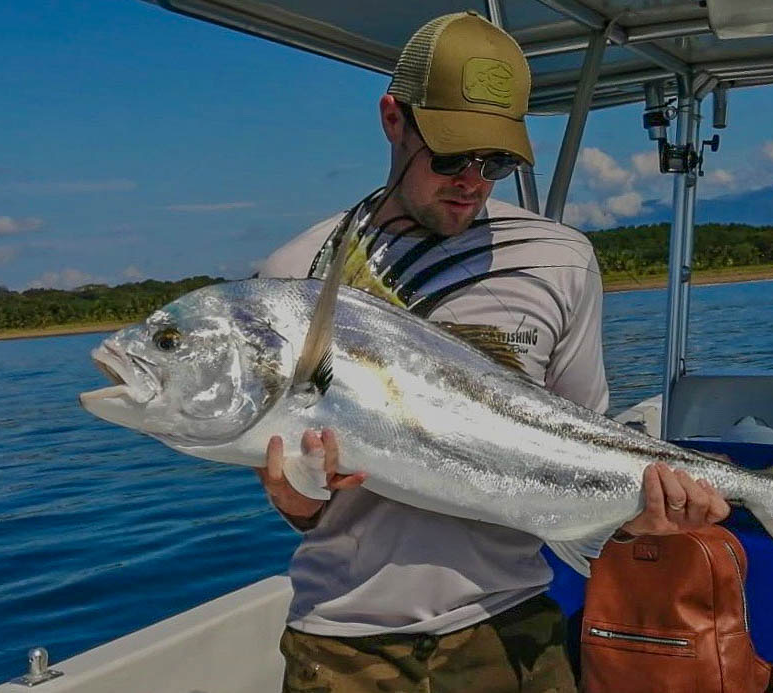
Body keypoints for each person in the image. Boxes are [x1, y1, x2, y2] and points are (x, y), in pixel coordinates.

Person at [255, 11, 730, 692]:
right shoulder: (298, 276)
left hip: (510, 626)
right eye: (450, 155)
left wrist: (645, 517)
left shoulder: (558, 259)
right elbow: (294, 499)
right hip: (343, 641)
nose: (472, 181)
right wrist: (297, 495)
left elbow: (582, 446)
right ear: (393, 119)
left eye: (497, 161)